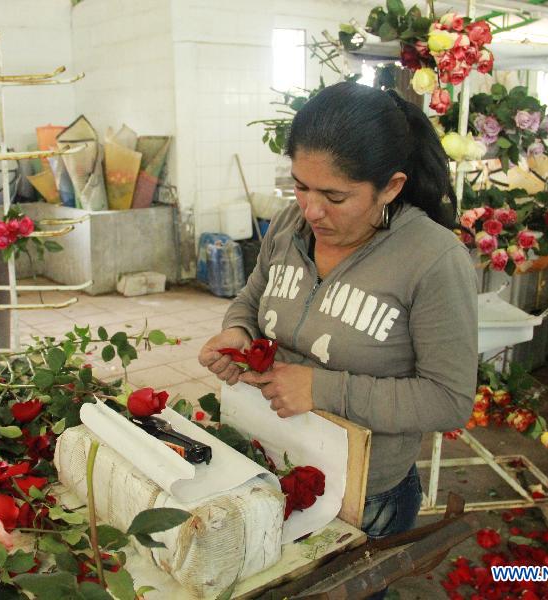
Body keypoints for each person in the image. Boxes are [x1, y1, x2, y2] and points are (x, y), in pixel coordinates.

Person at [198, 82, 478, 567]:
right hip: (270, 461)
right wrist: (237, 331)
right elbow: (252, 296)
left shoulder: (433, 260)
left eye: (334, 195)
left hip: (363, 500)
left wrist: (323, 389)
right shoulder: (290, 226)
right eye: (300, 186)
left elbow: (449, 400)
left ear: (390, 186)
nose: (311, 210)